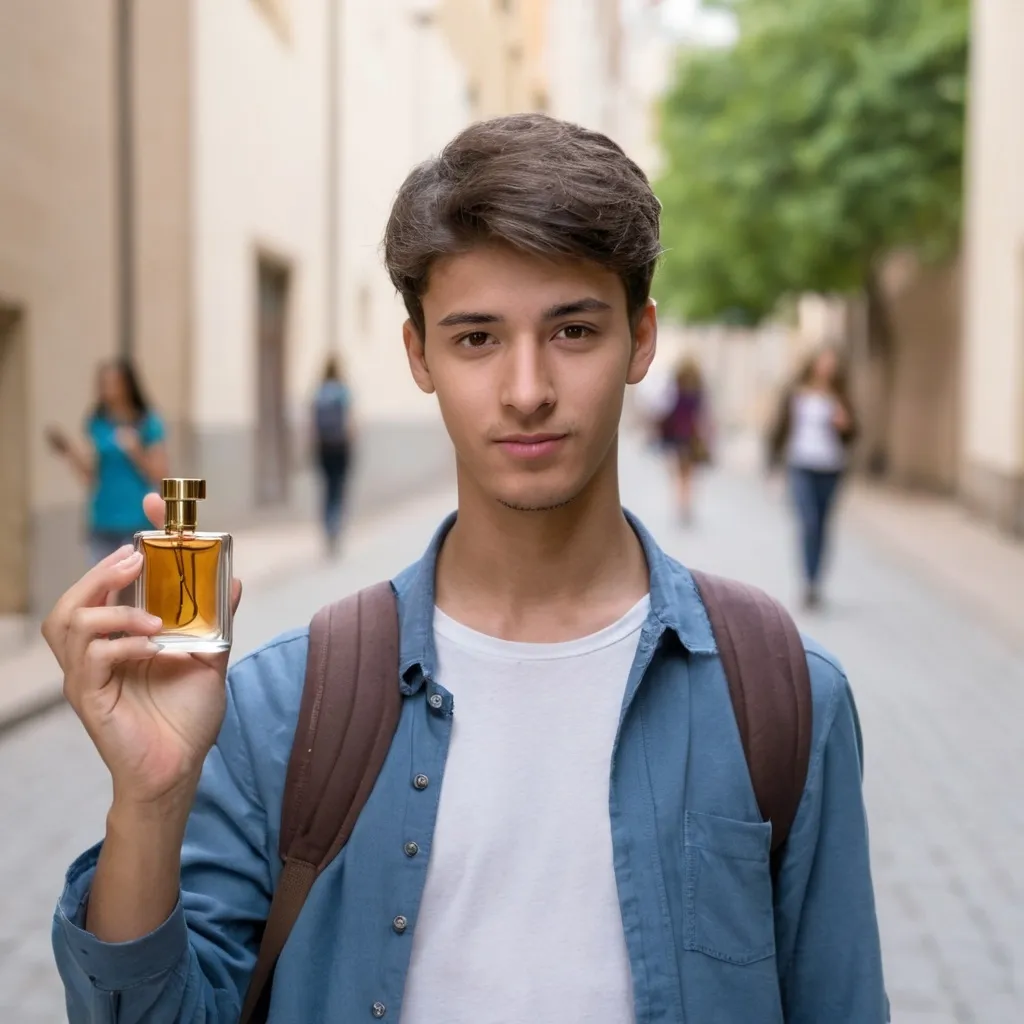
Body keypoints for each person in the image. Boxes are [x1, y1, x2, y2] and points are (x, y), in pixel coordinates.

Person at [44, 115, 888, 1023]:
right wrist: (149, 801)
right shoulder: (283, 709)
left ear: (640, 340)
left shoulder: (781, 694)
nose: (527, 390)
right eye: (477, 338)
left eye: (572, 329)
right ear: (419, 356)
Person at [46, 357, 168, 565]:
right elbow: (90, 475)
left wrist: (136, 451)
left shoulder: (148, 423)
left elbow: (161, 474)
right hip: (103, 519)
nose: (106, 389)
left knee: (133, 589)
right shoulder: (97, 423)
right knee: (102, 588)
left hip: (136, 520)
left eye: (112, 383)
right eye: (102, 383)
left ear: (127, 385)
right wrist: (69, 451)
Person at [768, 346, 858, 610]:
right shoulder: (796, 392)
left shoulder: (840, 397)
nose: (827, 367)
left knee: (822, 525)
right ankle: (807, 581)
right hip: (800, 464)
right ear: (813, 364)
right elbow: (779, 428)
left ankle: (817, 582)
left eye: (832, 363)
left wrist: (846, 426)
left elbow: (853, 435)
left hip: (831, 467)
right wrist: (773, 464)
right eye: (823, 361)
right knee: (808, 522)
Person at [657, 355, 710, 523]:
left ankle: (681, 504)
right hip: (692, 437)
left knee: (679, 474)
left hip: (677, 436)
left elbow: (667, 409)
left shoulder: (676, 388)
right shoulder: (698, 390)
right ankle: (686, 504)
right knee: (689, 475)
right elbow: (702, 415)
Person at [312, 354, 355, 555]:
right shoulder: (342, 392)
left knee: (326, 489)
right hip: (340, 446)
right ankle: (336, 529)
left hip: (322, 447)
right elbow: (349, 422)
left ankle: (327, 529)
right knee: (339, 488)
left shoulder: (319, 393)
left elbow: (311, 425)